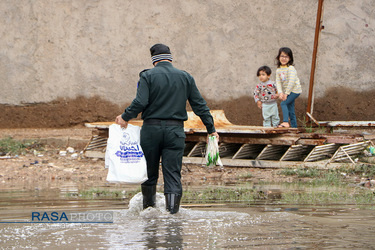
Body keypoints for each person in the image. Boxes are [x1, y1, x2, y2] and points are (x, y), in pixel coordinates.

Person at [115, 43, 219, 214]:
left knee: (149, 174)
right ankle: (172, 217)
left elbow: (140, 102)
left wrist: (125, 116)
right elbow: (200, 105)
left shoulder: (147, 76)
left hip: (151, 131)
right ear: (170, 58)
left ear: (153, 60)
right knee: (172, 175)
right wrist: (211, 129)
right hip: (175, 131)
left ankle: (149, 214)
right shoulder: (185, 77)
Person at [275, 47, 302, 128]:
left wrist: (286, 94)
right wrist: (280, 93)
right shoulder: (278, 70)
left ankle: (285, 122)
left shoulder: (291, 68)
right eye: (282, 56)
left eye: (286, 57)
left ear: (290, 58)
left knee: (283, 103)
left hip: (295, 91)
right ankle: (294, 128)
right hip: (288, 91)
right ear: (278, 57)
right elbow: (278, 82)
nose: (284, 58)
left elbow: (291, 82)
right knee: (291, 110)